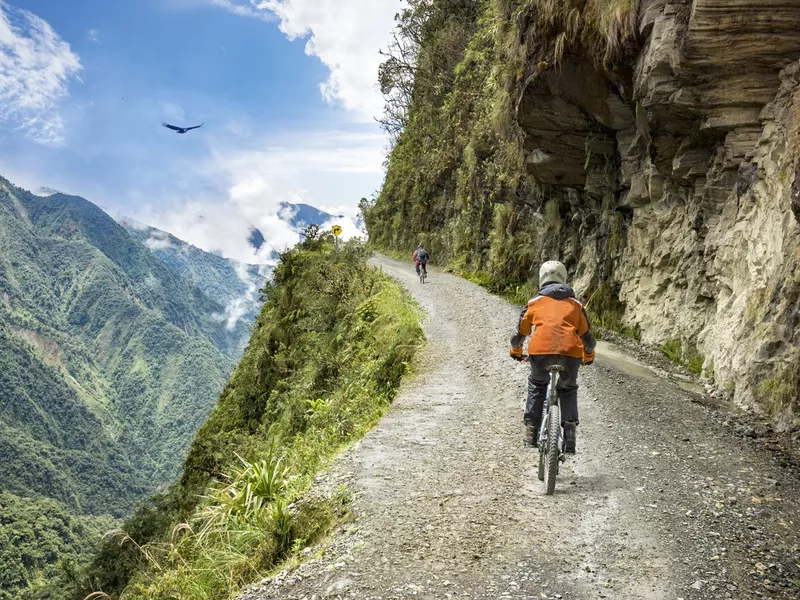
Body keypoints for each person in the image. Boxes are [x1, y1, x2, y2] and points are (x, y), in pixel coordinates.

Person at [509, 260, 596, 453]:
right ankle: (570, 434)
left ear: (541, 279)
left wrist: (516, 351)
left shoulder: (534, 303)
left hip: (540, 353)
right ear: (564, 279)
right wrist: (588, 355)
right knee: (568, 388)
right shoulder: (576, 305)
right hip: (570, 354)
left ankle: (531, 432)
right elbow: (588, 339)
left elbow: (519, 335)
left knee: (537, 385)